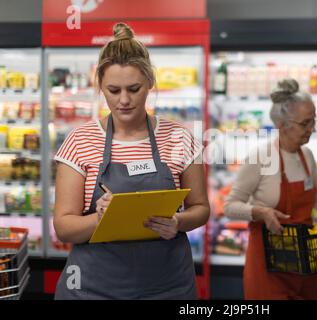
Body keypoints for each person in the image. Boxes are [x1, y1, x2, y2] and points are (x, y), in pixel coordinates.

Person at [53, 22, 210, 300]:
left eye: (134, 89)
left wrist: (178, 222)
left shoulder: (179, 138)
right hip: (93, 289)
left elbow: (201, 209)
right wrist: (99, 219)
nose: (124, 100)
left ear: (150, 82)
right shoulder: (80, 141)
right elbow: (64, 228)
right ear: (100, 85)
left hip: (167, 287)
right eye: (113, 90)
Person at [224, 79, 317, 300]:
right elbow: (230, 207)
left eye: (314, 121)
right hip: (269, 266)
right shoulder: (261, 158)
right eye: (305, 123)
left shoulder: (307, 156)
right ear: (283, 124)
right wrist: (261, 212)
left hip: (305, 261)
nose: (312, 129)